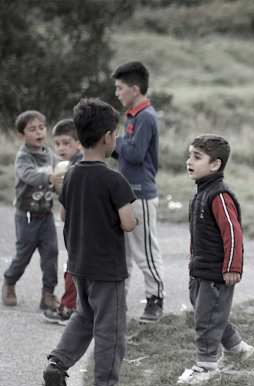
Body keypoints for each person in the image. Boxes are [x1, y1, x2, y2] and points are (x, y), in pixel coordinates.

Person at [42, 98, 137, 386]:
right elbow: (127, 224)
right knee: (111, 327)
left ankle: (58, 362)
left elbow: (66, 216)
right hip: (108, 268)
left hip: (79, 263)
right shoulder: (114, 180)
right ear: (108, 137)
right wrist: (133, 218)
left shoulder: (70, 175)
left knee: (85, 315)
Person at [177, 134, 254, 384]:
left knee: (206, 318)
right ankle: (237, 347)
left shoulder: (219, 196)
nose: (189, 161)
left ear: (215, 164)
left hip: (217, 273)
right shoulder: (201, 191)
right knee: (207, 311)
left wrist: (233, 267)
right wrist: (193, 260)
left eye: (197, 157)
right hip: (199, 268)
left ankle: (207, 365)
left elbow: (233, 233)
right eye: (189, 155)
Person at [112, 60, 165, 322]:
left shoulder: (146, 116)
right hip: (125, 193)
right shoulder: (133, 114)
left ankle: (155, 299)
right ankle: (118, 300)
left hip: (141, 194)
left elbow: (133, 154)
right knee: (122, 253)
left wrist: (115, 141)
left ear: (135, 88)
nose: (117, 93)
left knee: (144, 251)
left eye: (120, 88)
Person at [1, 110, 59, 312]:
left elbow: (57, 178)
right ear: (21, 135)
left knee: (51, 254)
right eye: (32, 129)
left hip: (47, 215)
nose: (38, 132)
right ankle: (9, 281)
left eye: (41, 127)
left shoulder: (50, 154)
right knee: (23, 256)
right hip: (26, 216)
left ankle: (48, 294)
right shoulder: (23, 157)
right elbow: (30, 176)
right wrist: (50, 178)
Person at [43, 118, 83, 325]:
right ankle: (77, 307)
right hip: (76, 227)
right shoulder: (67, 165)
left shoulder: (75, 167)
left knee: (73, 268)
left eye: (66, 143)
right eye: (57, 143)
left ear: (79, 142)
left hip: (80, 227)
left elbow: (67, 204)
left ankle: (68, 308)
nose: (61, 148)